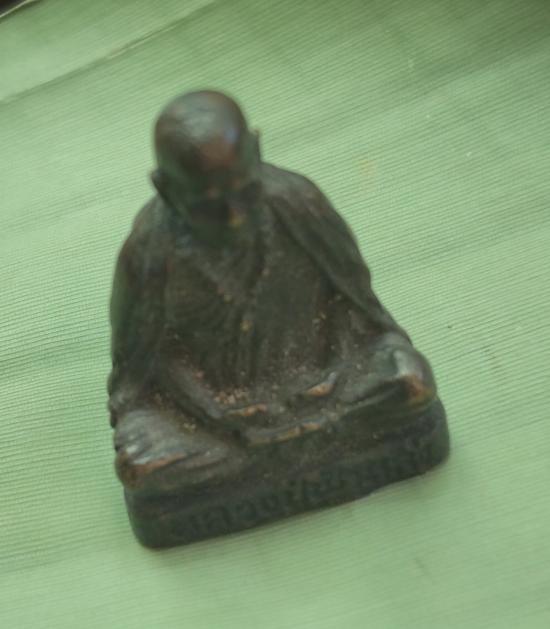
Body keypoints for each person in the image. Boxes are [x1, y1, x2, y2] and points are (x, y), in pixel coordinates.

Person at [108, 90, 437, 491]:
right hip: (214, 415)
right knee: (142, 463)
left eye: (246, 192)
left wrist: (332, 380)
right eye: (209, 208)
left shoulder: (299, 203)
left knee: (409, 382)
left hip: (329, 384)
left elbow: (356, 309)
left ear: (257, 152)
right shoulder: (149, 254)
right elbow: (146, 371)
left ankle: (273, 455)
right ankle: (273, 454)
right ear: (165, 189)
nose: (234, 219)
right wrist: (218, 413)